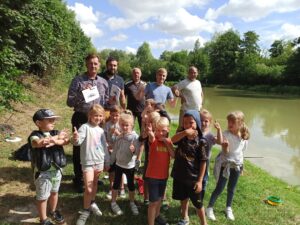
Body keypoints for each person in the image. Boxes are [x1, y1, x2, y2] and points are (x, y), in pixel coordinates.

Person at [67, 53, 109, 193]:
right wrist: (81, 95)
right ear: (86, 64)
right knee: (79, 148)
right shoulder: (78, 80)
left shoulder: (103, 82)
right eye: (90, 63)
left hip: (97, 120)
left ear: (99, 65)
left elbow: (106, 101)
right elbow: (69, 102)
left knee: (96, 147)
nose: (93, 66)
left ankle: (95, 176)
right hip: (80, 117)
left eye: (95, 63)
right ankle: (78, 178)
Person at [206, 111, 250, 221]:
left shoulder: (243, 136)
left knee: (232, 188)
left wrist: (242, 166)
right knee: (220, 187)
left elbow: (242, 151)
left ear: (240, 123)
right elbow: (225, 150)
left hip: (237, 165)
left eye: (232, 122)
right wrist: (224, 145)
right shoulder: (226, 134)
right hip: (225, 164)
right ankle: (209, 207)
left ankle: (228, 208)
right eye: (229, 121)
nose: (229, 124)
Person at [28, 109, 69, 225]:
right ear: (38, 123)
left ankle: (53, 211)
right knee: (42, 196)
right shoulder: (34, 135)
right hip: (42, 173)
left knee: (54, 192)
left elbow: (66, 141)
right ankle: (43, 219)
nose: (53, 121)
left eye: (54, 119)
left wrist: (56, 140)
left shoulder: (56, 132)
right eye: (49, 120)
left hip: (56, 170)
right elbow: (39, 143)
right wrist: (56, 139)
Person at [72, 104, 110, 225]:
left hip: (99, 161)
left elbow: (104, 147)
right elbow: (77, 143)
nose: (98, 118)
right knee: (88, 188)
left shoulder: (101, 130)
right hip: (88, 162)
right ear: (90, 116)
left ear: (103, 117)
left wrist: (106, 161)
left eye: (100, 116)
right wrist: (75, 138)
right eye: (95, 115)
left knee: (94, 184)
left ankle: (92, 202)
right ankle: (85, 210)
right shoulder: (84, 127)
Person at [171, 110, 208, 225]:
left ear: (197, 123)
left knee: (198, 203)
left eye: (191, 122)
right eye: (185, 123)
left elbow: (203, 162)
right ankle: (184, 218)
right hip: (180, 176)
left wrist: (200, 181)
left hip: (193, 179)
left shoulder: (201, 141)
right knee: (183, 198)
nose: (188, 125)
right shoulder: (182, 137)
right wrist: (184, 133)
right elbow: (172, 140)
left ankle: (204, 223)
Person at [110, 111, 141, 216]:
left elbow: (137, 152)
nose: (124, 127)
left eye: (126, 125)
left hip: (130, 166)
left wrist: (133, 151)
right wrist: (111, 161)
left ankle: (132, 202)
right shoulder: (120, 136)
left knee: (131, 185)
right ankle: (113, 202)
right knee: (116, 184)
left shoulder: (135, 137)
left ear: (131, 125)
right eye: (122, 125)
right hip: (119, 164)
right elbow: (115, 150)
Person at [146, 117, 174, 225]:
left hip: (163, 177)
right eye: (158, 130)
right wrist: (150, 133)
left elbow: (173, 155)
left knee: (159, 199)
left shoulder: (168, 142)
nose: (160, 133)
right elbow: (151, 137)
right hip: (153, 177)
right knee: (153, 202)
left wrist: (167, 142)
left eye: (163, 130)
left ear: (168, 130)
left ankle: (157, 216)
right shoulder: (154, 140)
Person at [172, 66, 204, 130]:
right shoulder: (184, 82)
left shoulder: (198, 82)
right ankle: (175, 140)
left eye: (194, 73)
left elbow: (201, 93)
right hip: (186, 110)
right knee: (181, 127)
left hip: (197, 110)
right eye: (191, 73)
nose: (193, 74)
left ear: (197, 73)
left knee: (194, 127)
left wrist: (201, 103)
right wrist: (181, 96)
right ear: (188, 73)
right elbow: (173, 88)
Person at [103, 106, 124, 199]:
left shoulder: (122, 125)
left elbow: (126, 138)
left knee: (120, 170)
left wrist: (118, 133)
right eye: (112, 115)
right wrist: (108, 145)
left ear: (120, 115)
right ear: (110, 115)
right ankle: (111, 188)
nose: (114, 117)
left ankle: (122, 187)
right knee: (111, 171)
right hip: (110, 151)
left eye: (117, 115)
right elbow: (103, 138)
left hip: (120, 150)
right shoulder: (107, 125)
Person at [200, 109, 222, 193]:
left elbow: (220, 142)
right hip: (195, 158)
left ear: (210, 122)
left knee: (204, 178)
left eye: (206, 121)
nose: (203, 123)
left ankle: (201, 194)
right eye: (201, 120)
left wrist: (219, 130)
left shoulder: (210, 135)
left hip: (206, 160)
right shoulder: (195, 132)